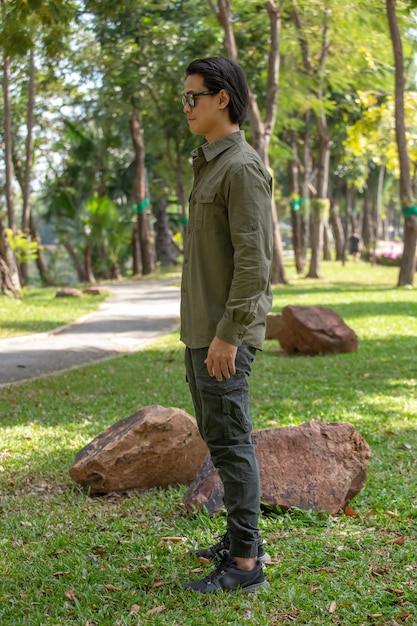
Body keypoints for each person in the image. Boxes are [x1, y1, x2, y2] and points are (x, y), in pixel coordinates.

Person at [180, 57, 273, 594]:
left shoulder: (240, 166)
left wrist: (229, 334)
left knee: (232, 441)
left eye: (194, 96)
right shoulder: (210, 163)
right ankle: (243, 542)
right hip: (203, 331)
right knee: (219, 437)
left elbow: (254, 263)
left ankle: (244, 566)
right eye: (185, 97)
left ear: (222, 98)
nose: (187, 106)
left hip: (223, 336)